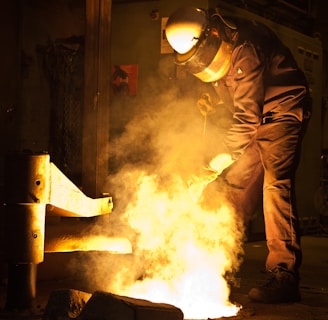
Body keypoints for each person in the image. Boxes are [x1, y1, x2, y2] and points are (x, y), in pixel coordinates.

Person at [165, 6, 312, 303]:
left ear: (213, 33)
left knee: (275, 185)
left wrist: (206, 170)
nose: (204, 63)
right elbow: (241, 98)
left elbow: (245, 122)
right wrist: (215, 101)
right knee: (238, 185)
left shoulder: (244, 48)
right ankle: (219, 259)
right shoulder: (221, 44)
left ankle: (284, 275)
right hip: (256, 116)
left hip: (283, 111)